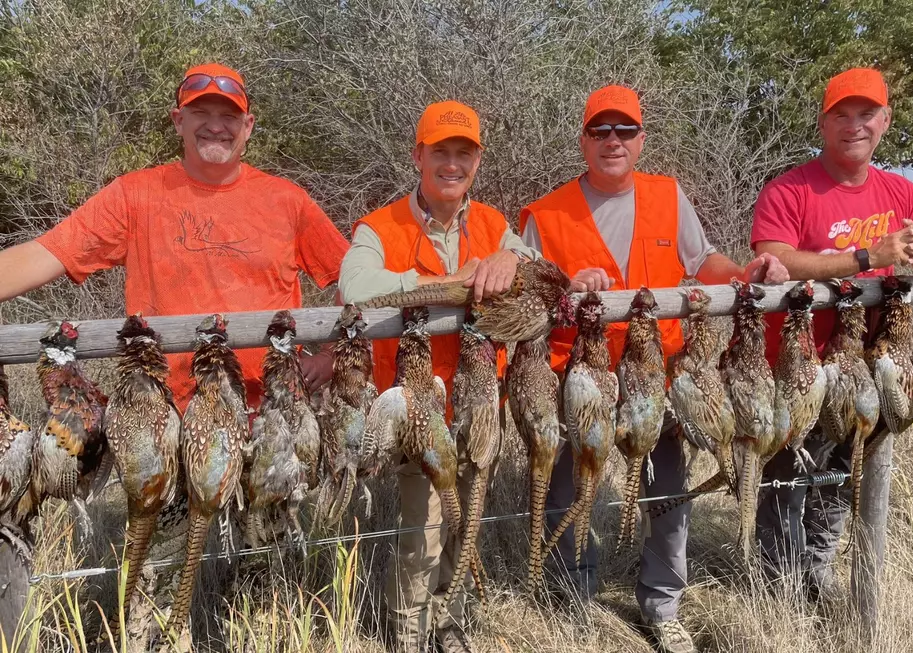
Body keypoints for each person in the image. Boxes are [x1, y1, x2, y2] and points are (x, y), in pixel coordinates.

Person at [519, 84, 789, 653]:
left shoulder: (668, 196)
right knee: (571, 490)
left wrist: (745, 272)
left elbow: (702, 261)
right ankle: (573, 603)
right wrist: (568, 288)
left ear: (641, 141)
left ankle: (663, 606)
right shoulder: (546, 214)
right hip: (579, 377)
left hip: (656, 374)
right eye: (600, 131)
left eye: (624, 131)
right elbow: (527, 294)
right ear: (583, 140)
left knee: (667, 490)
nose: (612, 141)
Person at [0, 63, 350, 409]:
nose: (215, 126)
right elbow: (47, 254)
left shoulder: (287, 201)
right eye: (200, 112)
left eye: (229, 116)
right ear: (179, 121)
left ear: (248, 126)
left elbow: (354, 279)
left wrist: (330, 358)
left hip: (269, 412)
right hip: (165, 415)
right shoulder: (135, 195)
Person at [750, 67, 913, 598]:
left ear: (885, 121)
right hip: (798, 366)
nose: (854, 126)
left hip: (871, 368)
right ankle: (778, 593)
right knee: (787, 481)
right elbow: (773, 255)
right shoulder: (790, 190)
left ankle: (816, 581)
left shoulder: (901, 192)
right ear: (823, 123)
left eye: (866, 114)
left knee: (842, 481)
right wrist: (867, 257)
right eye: (841, 115)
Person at [339, 100, 539, 653]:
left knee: (465, 521)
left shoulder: (496, 224)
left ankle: (446, 620)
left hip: (477, 403)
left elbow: (538, 270)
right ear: (418, 156)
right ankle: (407, 633)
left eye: (464, 153)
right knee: (422, 529)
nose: (452, 164)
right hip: (418, 405)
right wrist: (454, 279)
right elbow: (354, 288)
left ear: (477, 161)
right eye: (441, 152)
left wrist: (512, 264)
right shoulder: (380, 227)